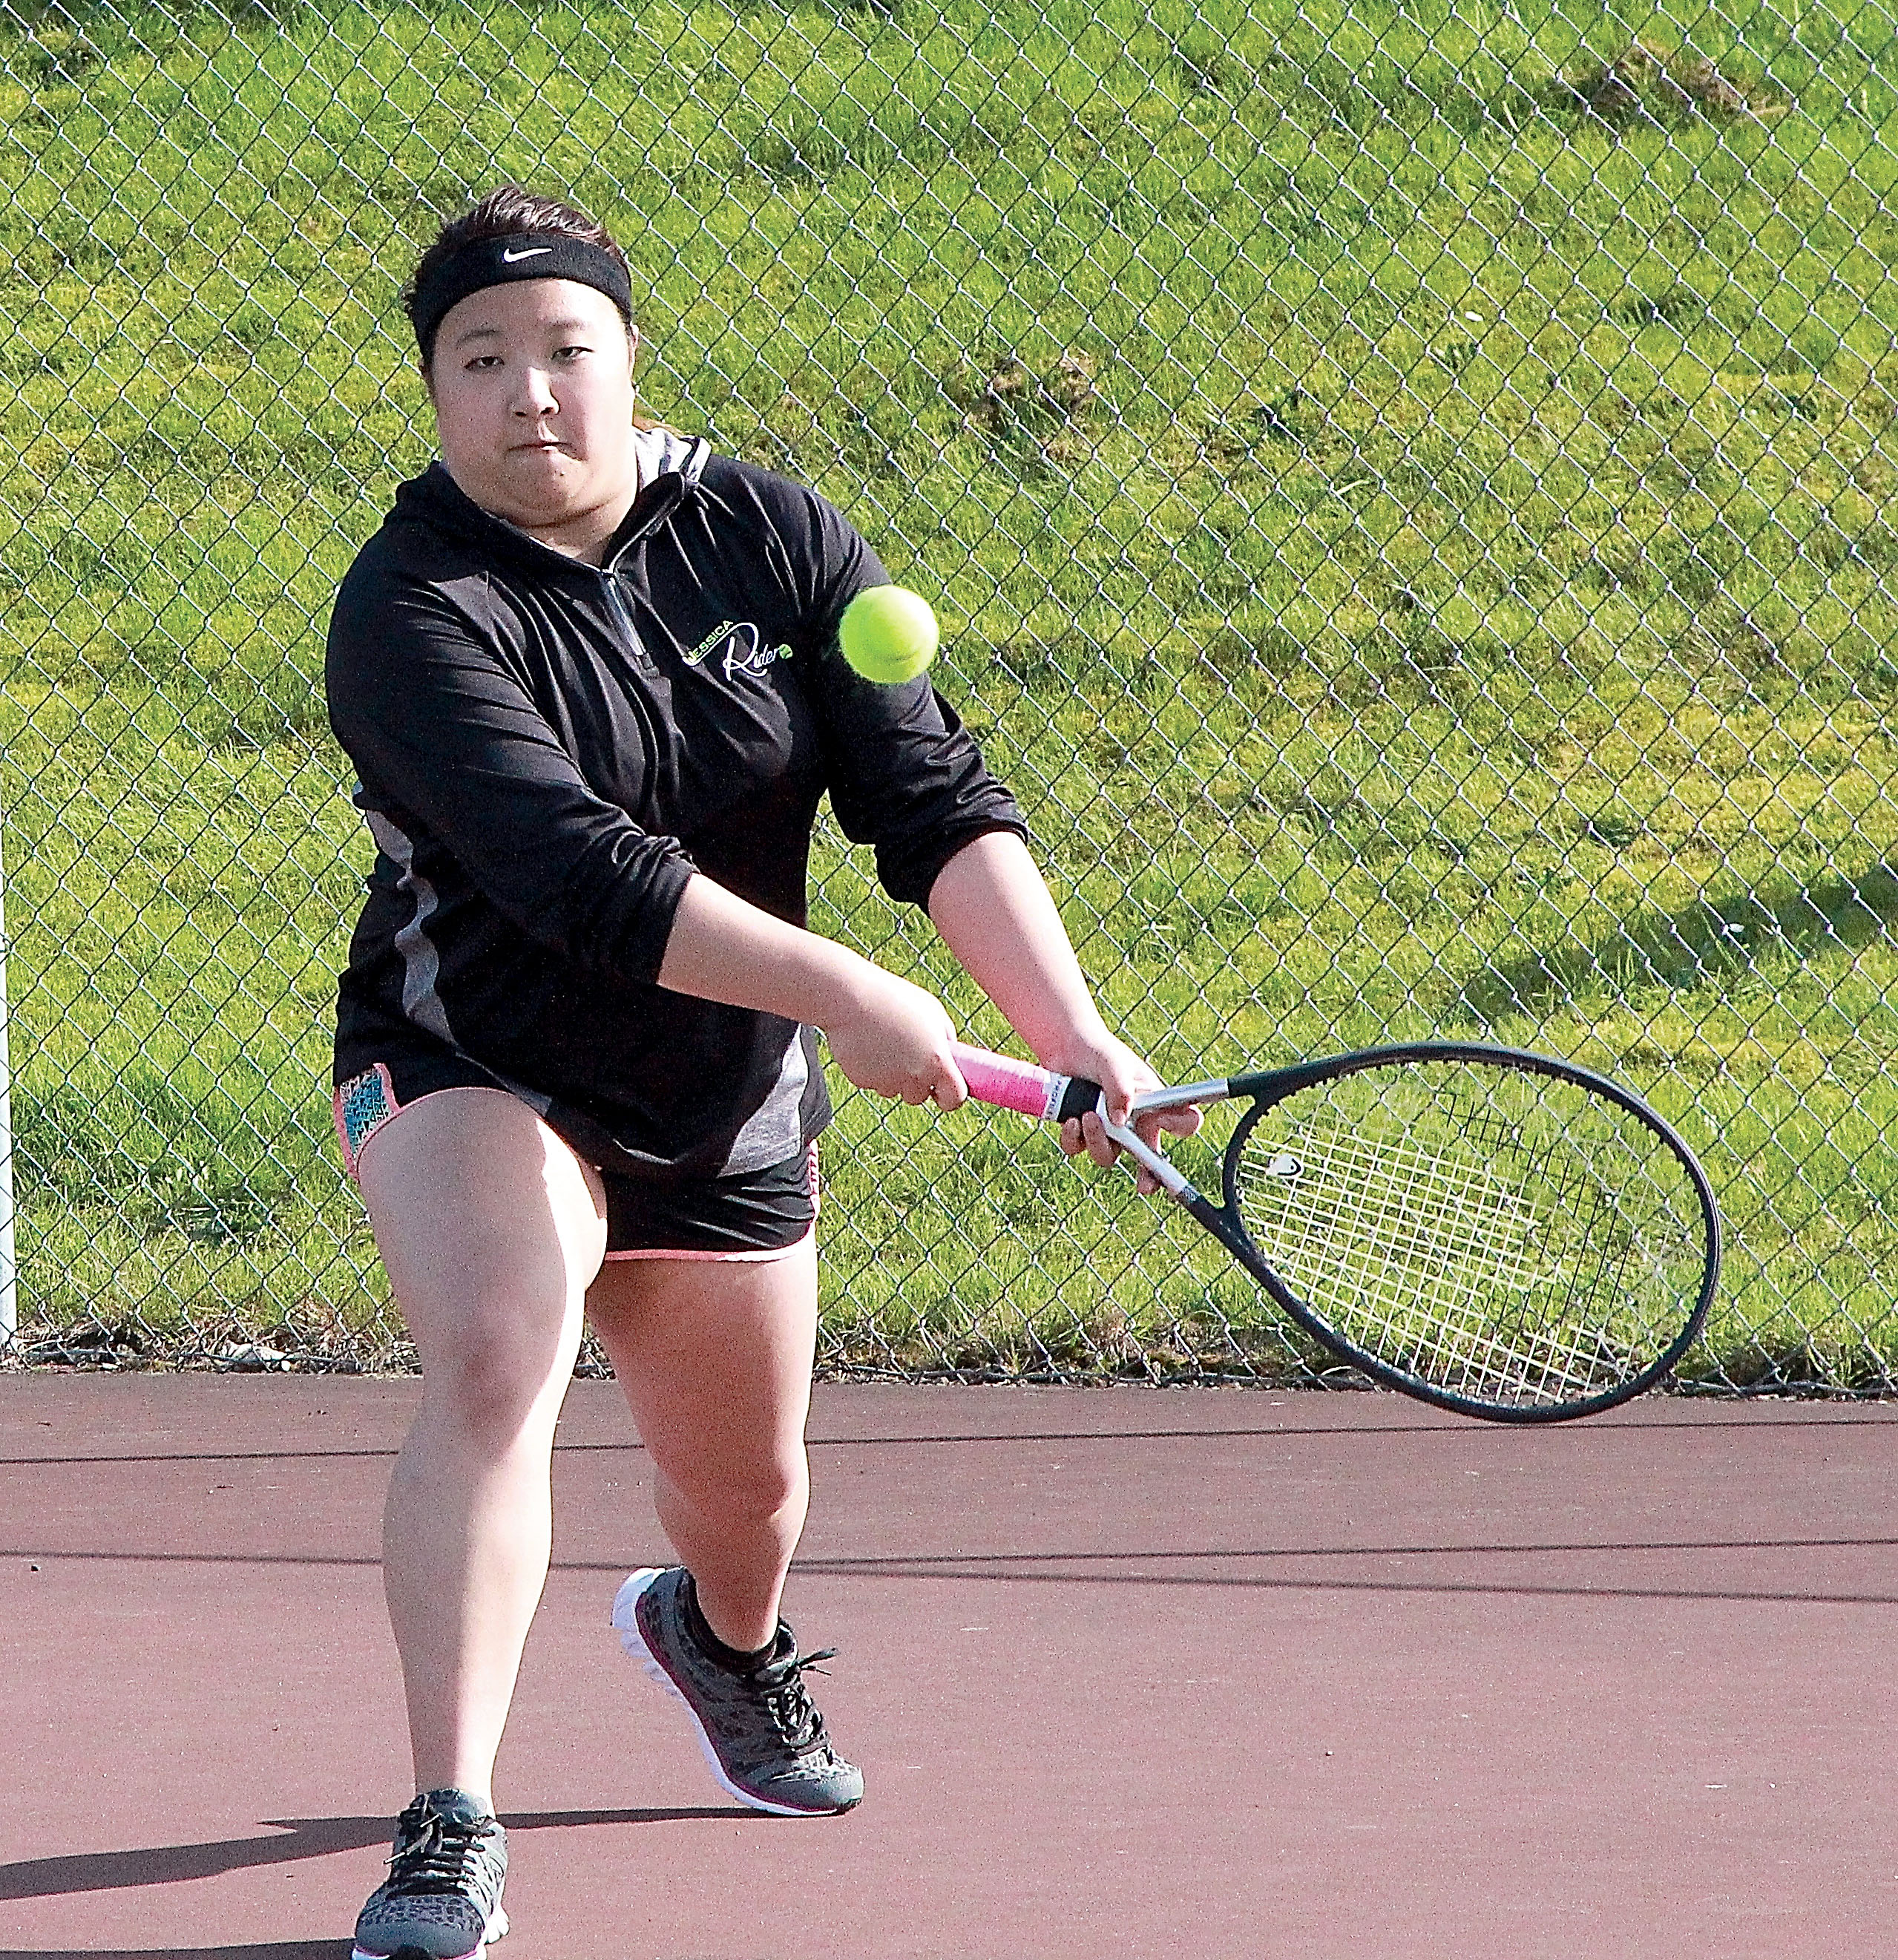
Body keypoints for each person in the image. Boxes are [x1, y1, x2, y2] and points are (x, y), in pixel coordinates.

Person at [325, 183, 1196, 1960]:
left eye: (567, 349)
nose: (529, 394)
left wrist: (1067, 1027)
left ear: (630, 360)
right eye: (478, 361)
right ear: (433, 397)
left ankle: (717, 1639)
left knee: (750, 1500)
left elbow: (929, 797)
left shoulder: (773, 536)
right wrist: (856, 996)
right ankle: (448, 1826)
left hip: (721, 1098)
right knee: (501, 1345)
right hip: (469, 1056)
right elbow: (582, 876)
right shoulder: (408, 609)